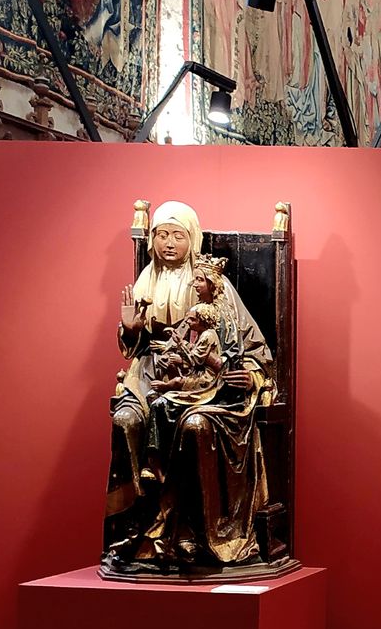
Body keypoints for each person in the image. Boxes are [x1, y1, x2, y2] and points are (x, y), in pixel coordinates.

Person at [105, 201, 277, 575]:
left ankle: (189, 528)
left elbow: (251, 347)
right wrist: (132, 330)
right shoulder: (145, 282)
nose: (169, 243)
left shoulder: (212, 284)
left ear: (192, 239)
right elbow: (134, 347)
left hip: (203, 382)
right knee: (126, 421)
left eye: (178, 236)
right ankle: (135, 529)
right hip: (148, 374)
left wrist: (251, 375)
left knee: (191, 426)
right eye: (162, 235)